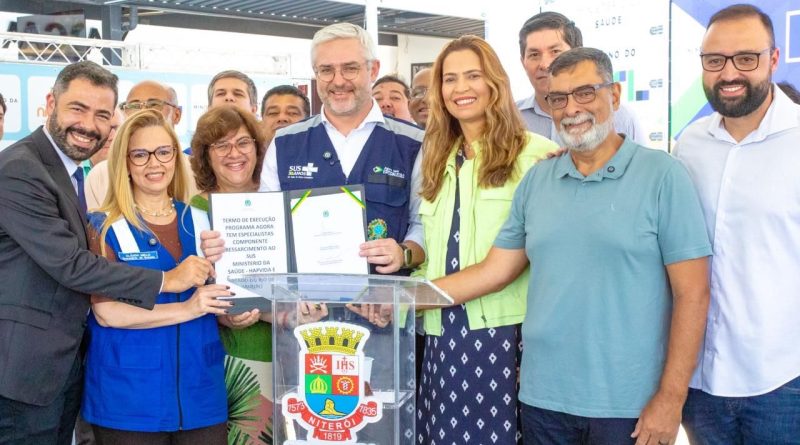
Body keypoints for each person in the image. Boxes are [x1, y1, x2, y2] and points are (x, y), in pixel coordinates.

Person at [431, 48, 711, 445]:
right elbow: (494, 271)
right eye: (558, 98)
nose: (571, 108)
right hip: (542, 401)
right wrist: (401, 298)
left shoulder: (662, 175)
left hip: (628, 405)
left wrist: (671, 397)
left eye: (585, 93)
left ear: (614, 95)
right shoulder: (538, 179)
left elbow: (693, 294)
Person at [0, 61, 210, 445]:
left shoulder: (68, 171)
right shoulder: (20, 168)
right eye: (77, 109)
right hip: (25, 370)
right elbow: (71, 264)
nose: (88, 125)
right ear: (50, 103)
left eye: (101, 114)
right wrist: (168, 279)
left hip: (62, 368)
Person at [414, 35, 557, 445]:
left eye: (473, 76)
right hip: (440, 331)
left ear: (495, 82)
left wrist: (403, 299)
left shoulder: (537, 156)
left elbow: (515, 266)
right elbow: (433, 252)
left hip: (505, 335)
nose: (461, 88)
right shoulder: (437, 157)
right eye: (450, 79)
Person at [673, 5, 800, 444]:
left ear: (774, 58)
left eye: (746, 58)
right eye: (715, 60)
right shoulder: (689, 144)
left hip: (783, 379)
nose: (729, 73)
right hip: (701, 379)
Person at [82, 109, 232, 443]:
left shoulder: (202, 221)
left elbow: (221, 299)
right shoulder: (104, 226)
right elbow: (107, 313)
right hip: (129, 400)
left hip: (200, 395)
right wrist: (188, 308)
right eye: (140, 154)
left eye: (164, 152)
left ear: (176, 157)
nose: (155, 163)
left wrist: (236, 311)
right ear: (124, 163)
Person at [254, 22, 426, 277]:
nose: (338, 81)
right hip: (306, 300)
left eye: (350, 68)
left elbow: (425, 225)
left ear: (373, 70)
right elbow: (266, 228)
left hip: (387, 298)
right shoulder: (285, 143)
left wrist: (404, 253)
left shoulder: (414, 143)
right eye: (326, 70)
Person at [516, 11, 644, 145]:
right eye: (534, 55)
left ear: (577, 55)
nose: (545, 64)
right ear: (523, 63)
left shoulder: (621, 117)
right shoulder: (508, 121)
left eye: (555, 51)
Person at [85, 80, 193, 210]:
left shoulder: (197, 173)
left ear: (177, 114)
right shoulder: (101, 175)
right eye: (134, 106)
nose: (143, 111)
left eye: (154, 104)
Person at [79, 110, 123, 178]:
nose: (111, 137)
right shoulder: (74, 168)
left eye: (117, 129)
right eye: (105, 129)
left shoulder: (133, 171)